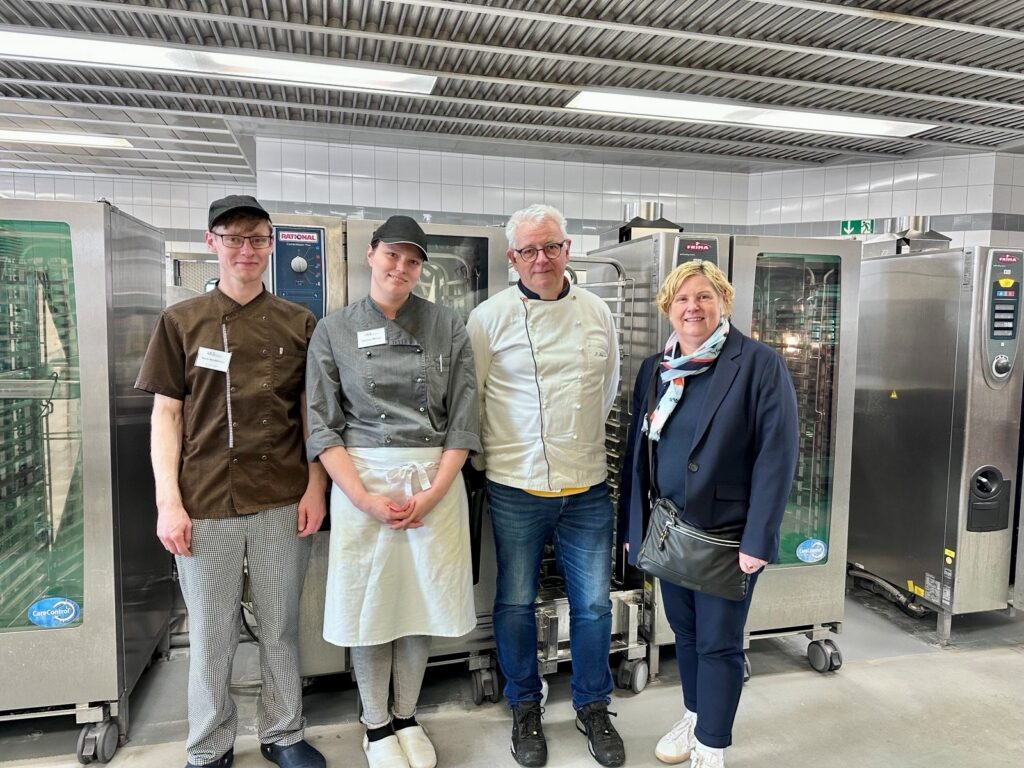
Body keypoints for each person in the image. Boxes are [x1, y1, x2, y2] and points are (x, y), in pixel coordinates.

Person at [135, 195, 328, 768]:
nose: (247, 249)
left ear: (271, 246)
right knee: (211, 632)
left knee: (280, 627)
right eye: (234, 238)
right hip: (205, 501)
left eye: (258, 239)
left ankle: (283, 733)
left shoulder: (299, 323)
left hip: (282, 499)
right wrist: (168, 503)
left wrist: (315, 487)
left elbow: (313, 416)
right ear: (211, 243)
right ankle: (208, 744)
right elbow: (166, 416)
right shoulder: (181, 322)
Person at [305, 215, 479, 768]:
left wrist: (433, 493)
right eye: (392, 256)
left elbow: (464, 421)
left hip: (434, 482)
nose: (400, 268)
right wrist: (362, 498)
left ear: (421, 268)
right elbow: (322, 425)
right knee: (371, 605)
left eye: (412, 261)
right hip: (362, 481)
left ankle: (406, 716)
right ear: (371, 254)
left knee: (420, 602)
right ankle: (375, 724)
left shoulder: (448, 324)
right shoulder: (333, 329)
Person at [621, 260, 798, 768]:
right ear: (668, 308)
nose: (692, 307)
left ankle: (711, 747)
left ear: (723, 303)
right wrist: (634, 527)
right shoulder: (657, 368)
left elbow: (777, 454)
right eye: (682, 299)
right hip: (669, 529)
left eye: (704, 296)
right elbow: (637, 454)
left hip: (727, 535)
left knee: (719, 643)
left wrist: (758, 538)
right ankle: (696, 716)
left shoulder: (758, 364)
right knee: (687, 634)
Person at [466, 204, 624, 768]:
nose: (541, 259)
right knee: (514, 601)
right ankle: (524, 706)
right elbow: (473, 398)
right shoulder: (489, 317)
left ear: (567, 249)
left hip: (586, 485)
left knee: (594, 605)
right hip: (516, 484)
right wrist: (493, 461)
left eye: (551, 246)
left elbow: (608, 388)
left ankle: (593, 705)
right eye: (529, 250)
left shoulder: (597, 311)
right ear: (512, 258)